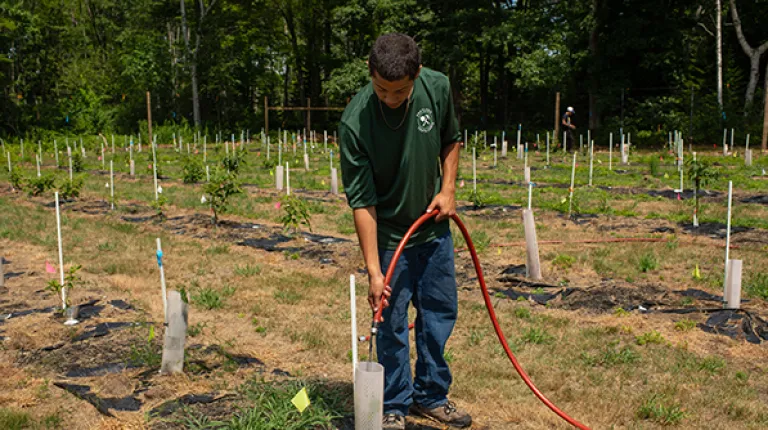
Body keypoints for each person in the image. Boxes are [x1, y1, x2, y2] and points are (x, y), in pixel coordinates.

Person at [339, 33, 472, 430]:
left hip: (432, 232)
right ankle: (394, 403)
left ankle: (431, 395)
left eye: (400, 91)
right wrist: (374, 273)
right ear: (370, 74)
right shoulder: (355, 122)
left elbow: (450, 140)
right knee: (392, 322)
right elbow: (362, 202)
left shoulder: (437, 86)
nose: (390, 98)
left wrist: (447, 190)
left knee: (438, 314)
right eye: (381, 89)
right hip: (390, 238)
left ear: (417, 74)